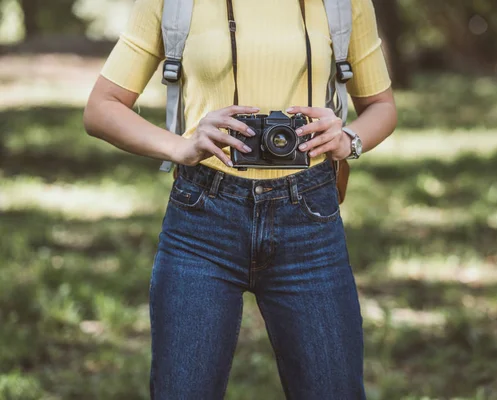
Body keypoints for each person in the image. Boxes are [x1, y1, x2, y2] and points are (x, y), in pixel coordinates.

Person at [83, 0, 397, 398]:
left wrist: (348, 139)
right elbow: (100, 107)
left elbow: (382, 106)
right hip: (202, 219)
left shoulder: (342, 3)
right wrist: (182, 146)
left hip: (309, 220)